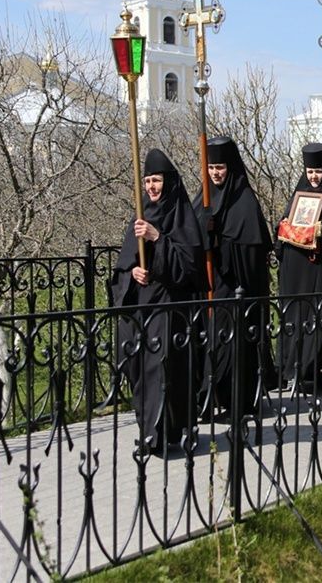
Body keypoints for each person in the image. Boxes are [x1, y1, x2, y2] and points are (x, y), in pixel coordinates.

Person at [110, 148, 206, 455]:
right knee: (139, 368)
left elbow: (188, 267)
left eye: (157, 181)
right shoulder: (140, 217)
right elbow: (123, 267)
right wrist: (133, 272)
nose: (152, 187)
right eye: (148, 181)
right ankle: (148, 428)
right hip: (142, 306)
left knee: (162, 370)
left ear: (169, 183)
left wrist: (158, 239)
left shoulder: (181, 217)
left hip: (170, 307)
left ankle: (160, 435)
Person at [194, 136, 273, 418]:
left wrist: (217, 239)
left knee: (228, 345)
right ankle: (209, 399)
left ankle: (234, 399)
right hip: (209, 287)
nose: (215, 173)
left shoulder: (245, 201)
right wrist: (203, 230)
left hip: (235, 288)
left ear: (231, 167)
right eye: (211, 167)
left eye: (220, 167)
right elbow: (191, 238)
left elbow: (250, 253)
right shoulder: (203, 197)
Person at [275, 143, 322, 393]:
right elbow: (283, 229)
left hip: (320, 271)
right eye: (310, 171)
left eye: (318, 171)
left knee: (319, 318)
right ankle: (290, 370)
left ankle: (316, 372)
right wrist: (283, 226)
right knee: (294, 318)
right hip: (294, 273)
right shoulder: (299, 194)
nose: (314, 177)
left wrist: (321, 230)